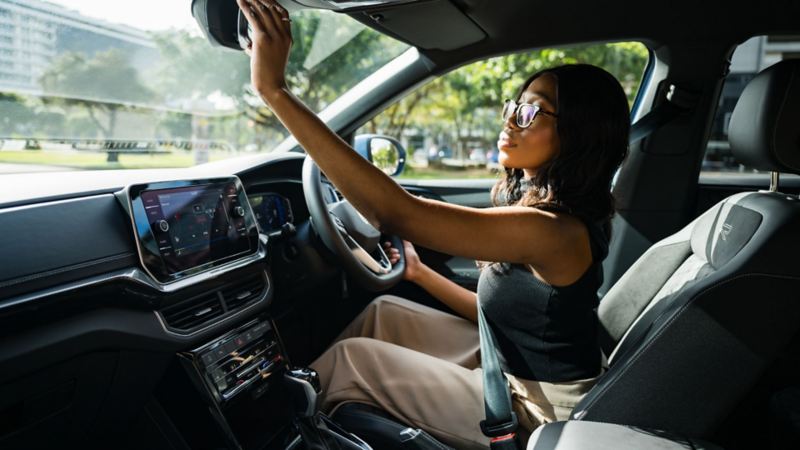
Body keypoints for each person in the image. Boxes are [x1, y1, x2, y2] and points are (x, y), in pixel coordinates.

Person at [236, 1, 630, 448]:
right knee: (383, 314)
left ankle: (255, 436)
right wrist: (419, 273)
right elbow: (501, 316)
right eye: (512, 107)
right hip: (511, 363)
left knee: (354, 360)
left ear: (578, 133)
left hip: (538, 410)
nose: (509, 121)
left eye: (530, 112)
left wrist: (275, 91)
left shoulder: (551, 230)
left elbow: (395, 212)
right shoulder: (549, 209)